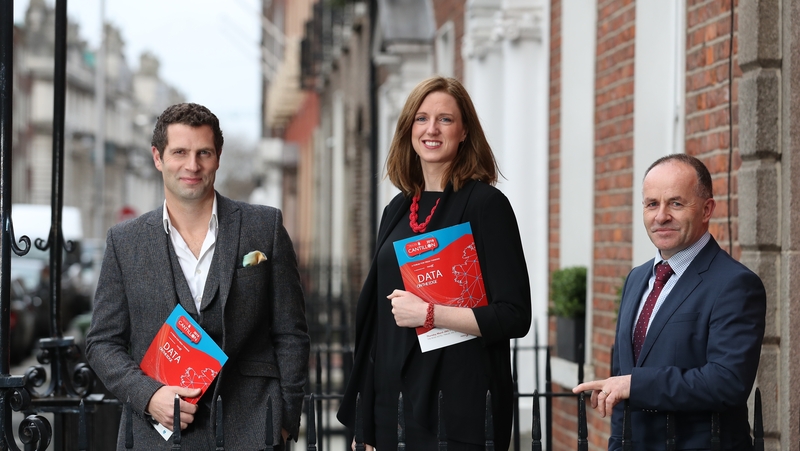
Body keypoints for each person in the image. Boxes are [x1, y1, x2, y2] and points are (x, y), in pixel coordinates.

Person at [85, 103, 309, 450]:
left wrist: (284, 421)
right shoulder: (124, 241)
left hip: (253, 430)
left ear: (217, 157)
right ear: (157, 158)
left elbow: (291, 332)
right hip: (159, 434)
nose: (192, 165)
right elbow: (102, 342)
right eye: (180, 152)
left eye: (203, 152)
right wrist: (149, 396)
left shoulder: (264, 227)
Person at [336, 76, 532, 450]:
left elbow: (514, 315)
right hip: (392, 408)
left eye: (445, 119)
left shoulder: (486, 206)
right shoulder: (397, 209)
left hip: (459, 410)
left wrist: (430, 315)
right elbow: (377, 323)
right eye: (422, 118)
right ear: (409, 129)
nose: (431, 129)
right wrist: (366, 424)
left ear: (464, 132)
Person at [573, 154, 766, 450]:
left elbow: (728, 382)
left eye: (675, 203)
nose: (661, 216)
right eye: (652, 204)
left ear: (707, 209)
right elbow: (620, 382)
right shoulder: (637, 280)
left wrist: (635, 385)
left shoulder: (735, 284)